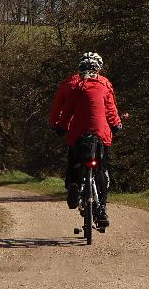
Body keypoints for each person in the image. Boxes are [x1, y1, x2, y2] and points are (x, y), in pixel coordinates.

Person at [49, 50, 122, 230]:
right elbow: (111, 111)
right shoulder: (105, 84)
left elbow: (63, 110)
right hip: (100, 133)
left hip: (77, 133)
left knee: (74, 162)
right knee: (101, 169)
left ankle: (74, 184)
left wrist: (58, 125)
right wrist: (117, 125)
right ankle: (102, 209)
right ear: (99, 68)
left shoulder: (72, 84)